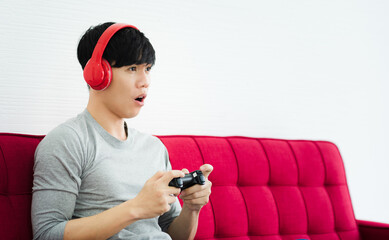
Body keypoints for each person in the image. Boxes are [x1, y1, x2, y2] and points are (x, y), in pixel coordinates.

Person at [31, 22, 213, 240]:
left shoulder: (154, 147)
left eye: (147, 69)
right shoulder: (68, 141)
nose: (145, 82)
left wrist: (192, 208)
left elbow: (173, 233)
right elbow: (46, 234)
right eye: (132, 69)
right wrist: (135, 208)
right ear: (97, 75)